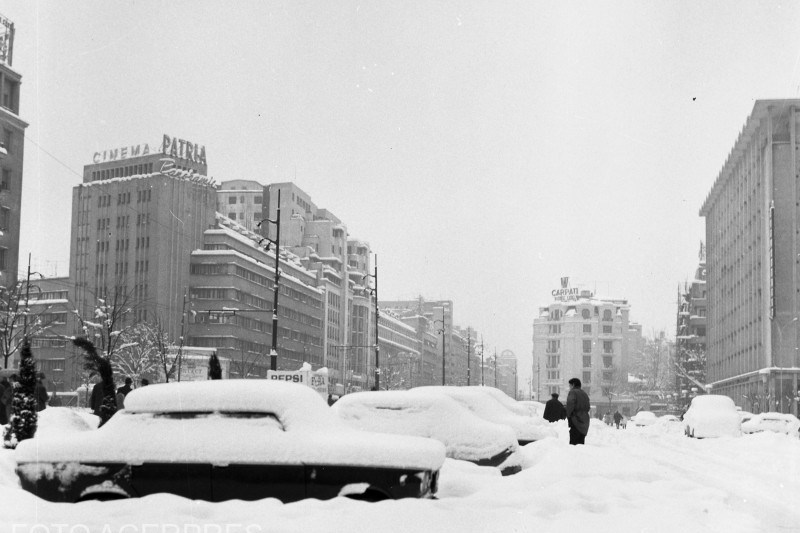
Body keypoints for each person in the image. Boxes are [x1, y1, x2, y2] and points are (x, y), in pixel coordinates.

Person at [566, 377, 590, 445]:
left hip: (576, 420)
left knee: (573, 444)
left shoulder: (573, 392)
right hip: (585, 421)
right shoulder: (584, 394)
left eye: (570, 385)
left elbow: (570, 404)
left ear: (573, 385)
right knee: (581, 444)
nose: (569, 387)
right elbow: (588, 407)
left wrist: (569, 416)